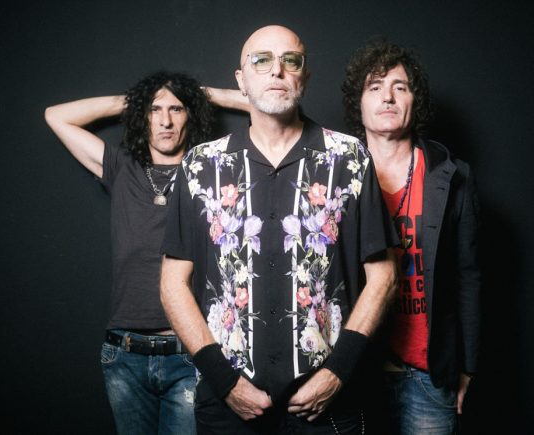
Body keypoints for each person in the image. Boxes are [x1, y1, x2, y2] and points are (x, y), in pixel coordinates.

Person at [159, 25, 398, 434]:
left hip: (326, 406)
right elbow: (172, 283)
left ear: (305, 76)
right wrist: (223, 380)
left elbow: (384, 277)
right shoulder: (201, 165)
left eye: (291, 60)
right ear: (241, 80)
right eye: (262, 60)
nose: (277, 71)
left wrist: (337, 372)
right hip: (228, 409)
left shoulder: (349, 158)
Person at [44, 70, 213, 435]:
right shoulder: (122, 167)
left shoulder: (210, 172)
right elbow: (55, 115)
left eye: (176, 109)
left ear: (191, 115)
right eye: (154, 110)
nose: (165, 120)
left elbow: (266, 108)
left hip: (188, 352)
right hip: (124, 353)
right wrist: (136, 102)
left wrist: (204, 95)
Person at [342, 38, 481, 434]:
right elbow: (282, 119)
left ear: (413, 101)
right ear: (359, 103)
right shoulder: (335, 173)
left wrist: (468, 365)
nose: (387, 97)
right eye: (375, 87)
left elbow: (468, 274)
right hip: (354, 371)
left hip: (428, 373)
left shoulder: (452, 175)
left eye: (399, 87)